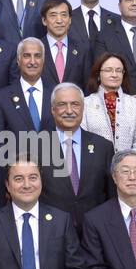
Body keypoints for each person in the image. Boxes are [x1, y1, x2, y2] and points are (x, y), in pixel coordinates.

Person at [39, 83, 115, 230]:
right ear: (52, 110)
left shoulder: (103, 146)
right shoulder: (35, 146)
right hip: (51, 231)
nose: (69, 111)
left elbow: (111, 195)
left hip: (95, 232)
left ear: (83, 108)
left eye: (75, 104)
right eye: (62, 105)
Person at [82, 52, 136, 153]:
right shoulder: (85, 103)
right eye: (108, 70)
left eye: (119, 70)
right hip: (95, 164)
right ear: (98, 74)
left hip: (127, 166)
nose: (114, 75)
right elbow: (83, 139)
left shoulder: (135, 104)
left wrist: (129, 164)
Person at [0, 37, 55, 134]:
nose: (32, 62)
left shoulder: (56, 94)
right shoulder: (1, 98)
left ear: (43, 60)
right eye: (27, 56)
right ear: (18, 60)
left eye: (37, 56)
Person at [36, 0, 92, 87]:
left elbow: (88, 86)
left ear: (70, 20)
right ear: (44, 20)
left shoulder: (83, 49)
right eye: (53, 15)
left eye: (64, 15)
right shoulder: (35, 48)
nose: (59, 20)